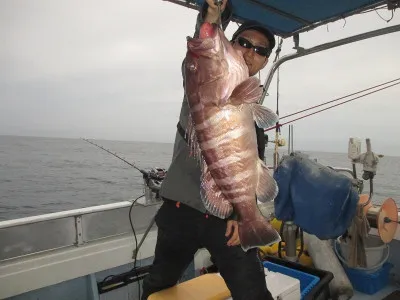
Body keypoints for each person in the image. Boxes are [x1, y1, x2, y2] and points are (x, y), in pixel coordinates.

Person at [141, 1, 276, 299]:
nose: (250, 52)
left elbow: (248, 171)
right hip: (180, 211)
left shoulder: (252, 112)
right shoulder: (203, 76)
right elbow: (203, 50)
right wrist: (213, 16)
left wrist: (242, 217)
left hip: (225, 219)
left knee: (253, 291)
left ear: (265, 61)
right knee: (158, 283)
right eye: (243, 43)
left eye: (260, 50)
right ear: (230, 44)